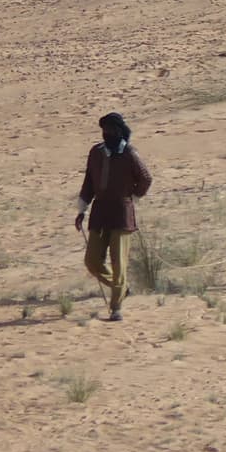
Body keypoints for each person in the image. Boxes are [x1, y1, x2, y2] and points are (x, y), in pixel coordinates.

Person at [74, 111, 151, 322]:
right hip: (99, 213)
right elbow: (89, 182)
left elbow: (145, 178)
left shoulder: (129, 153)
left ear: (119, 130)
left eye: (110, 129)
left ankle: (116, 307)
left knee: (119, 263)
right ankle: (122, 287)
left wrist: (133, 197)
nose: (106, 133)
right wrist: (82, 210)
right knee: (92, 261)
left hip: (121, 213)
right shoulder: (96, 153)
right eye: (104, 129)